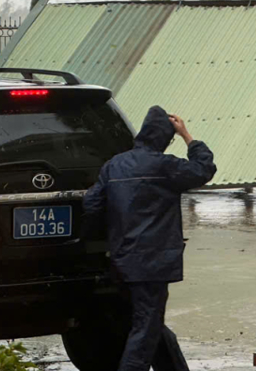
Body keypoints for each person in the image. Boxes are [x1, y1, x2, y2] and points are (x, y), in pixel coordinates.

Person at [84, 106, 217, 371]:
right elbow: (203, 169)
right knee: (146, 328)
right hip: (154, 261)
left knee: (149, 321)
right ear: (164, 140)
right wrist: (187, 136)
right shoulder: (165, 166)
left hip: (122, 259)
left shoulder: (114, 165)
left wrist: (101, 242)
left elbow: (91, 204)